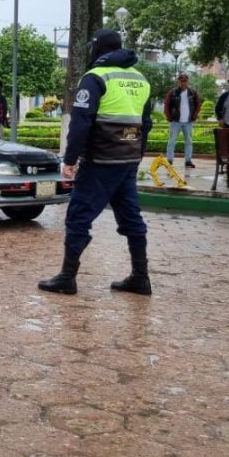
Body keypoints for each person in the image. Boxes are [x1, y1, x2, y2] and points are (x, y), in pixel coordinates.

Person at [39, 29, 153, 296]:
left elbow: (81, 122)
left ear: (98, 49)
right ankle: (141, 276)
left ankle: (67, 278)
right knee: (132, 218)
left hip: (100, 160)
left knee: (78, 216)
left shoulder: (95, 77)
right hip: (127, 160)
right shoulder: (141, 79)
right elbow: (146, 124)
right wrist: (137, 156)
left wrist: (69, 159)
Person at [163, 73, 201, 168]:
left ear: (188, 81)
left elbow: (198, 104)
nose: (183, 83)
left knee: (188, 141)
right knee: (171, 141)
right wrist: (169, 117)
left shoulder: (193, 93)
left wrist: (195, 116)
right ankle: (169, 159)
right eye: (181, 81)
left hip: (188, 122)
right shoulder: (173, 92)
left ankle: (188, 160)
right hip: (175, 121)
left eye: (185, 81)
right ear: (178, 82)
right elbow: (166, 105)